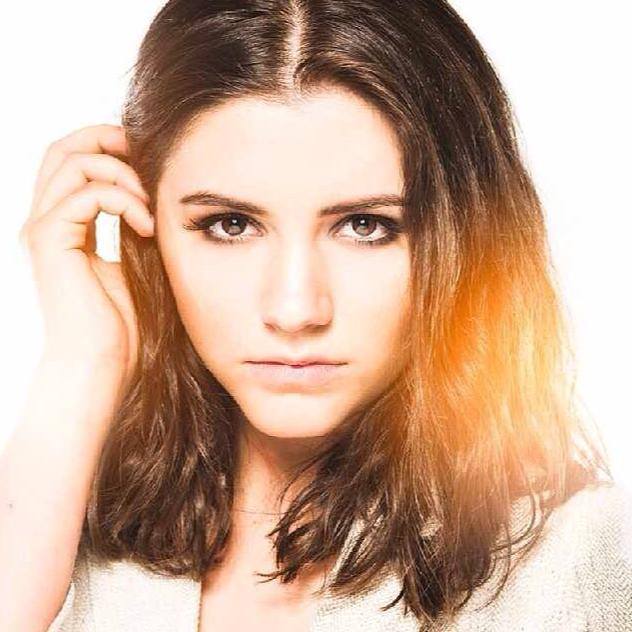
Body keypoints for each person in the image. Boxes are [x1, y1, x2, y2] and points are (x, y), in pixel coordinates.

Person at [2, 0, 631, 630]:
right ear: (147, 229)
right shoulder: (58, 529)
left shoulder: (581, 562)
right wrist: (79, 367)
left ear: (466, 236)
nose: (295, 309)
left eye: (365, 226)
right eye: (231, 224)